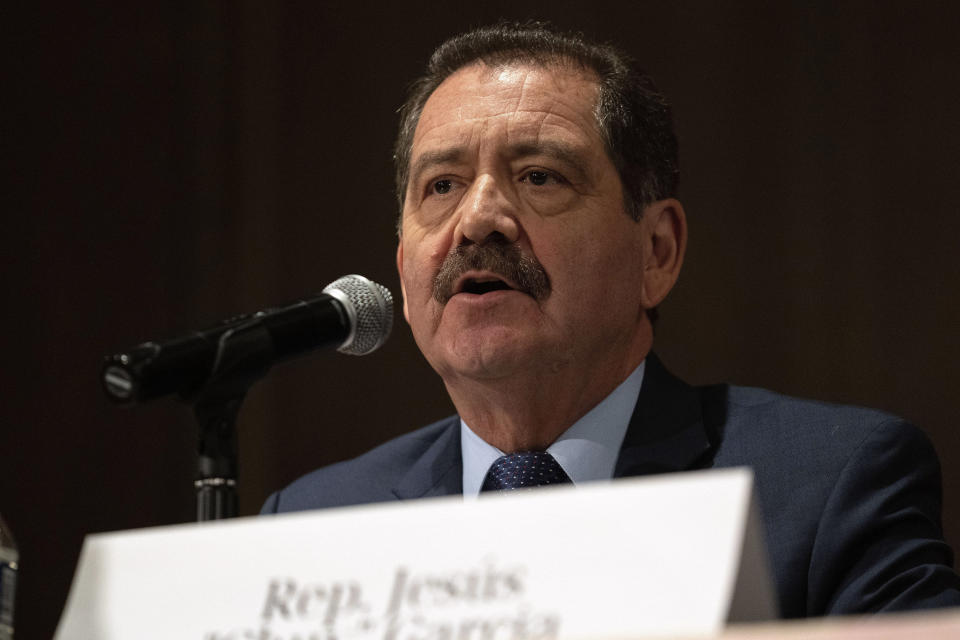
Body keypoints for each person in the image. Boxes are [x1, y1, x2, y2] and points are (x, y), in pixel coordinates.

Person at [261, 22, 960, 617]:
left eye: (539, 176)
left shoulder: (828, 484)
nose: (477, 219)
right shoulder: (314, 524)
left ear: (657, 251)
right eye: (441, 186)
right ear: (405, 275)